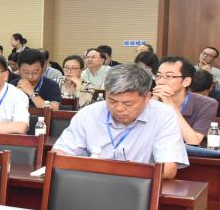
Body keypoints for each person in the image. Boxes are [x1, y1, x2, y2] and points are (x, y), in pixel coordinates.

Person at [53, 64, 188, 179]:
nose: (119, 108)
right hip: (90, 182)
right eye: (112, 101)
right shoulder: (89, 113)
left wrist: (125, 170)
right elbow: (59, 153)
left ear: (147, 97)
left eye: (128, 103)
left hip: (137, 186)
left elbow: (168, 168)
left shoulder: (163, 115)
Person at [152, 56, 219, 146]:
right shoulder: (150, 100)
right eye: (158, 76)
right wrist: (152, 103)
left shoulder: (207, 104)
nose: (161, 81)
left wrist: (170, 104)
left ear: (186, 81)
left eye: (169, 76)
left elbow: (194, 142)